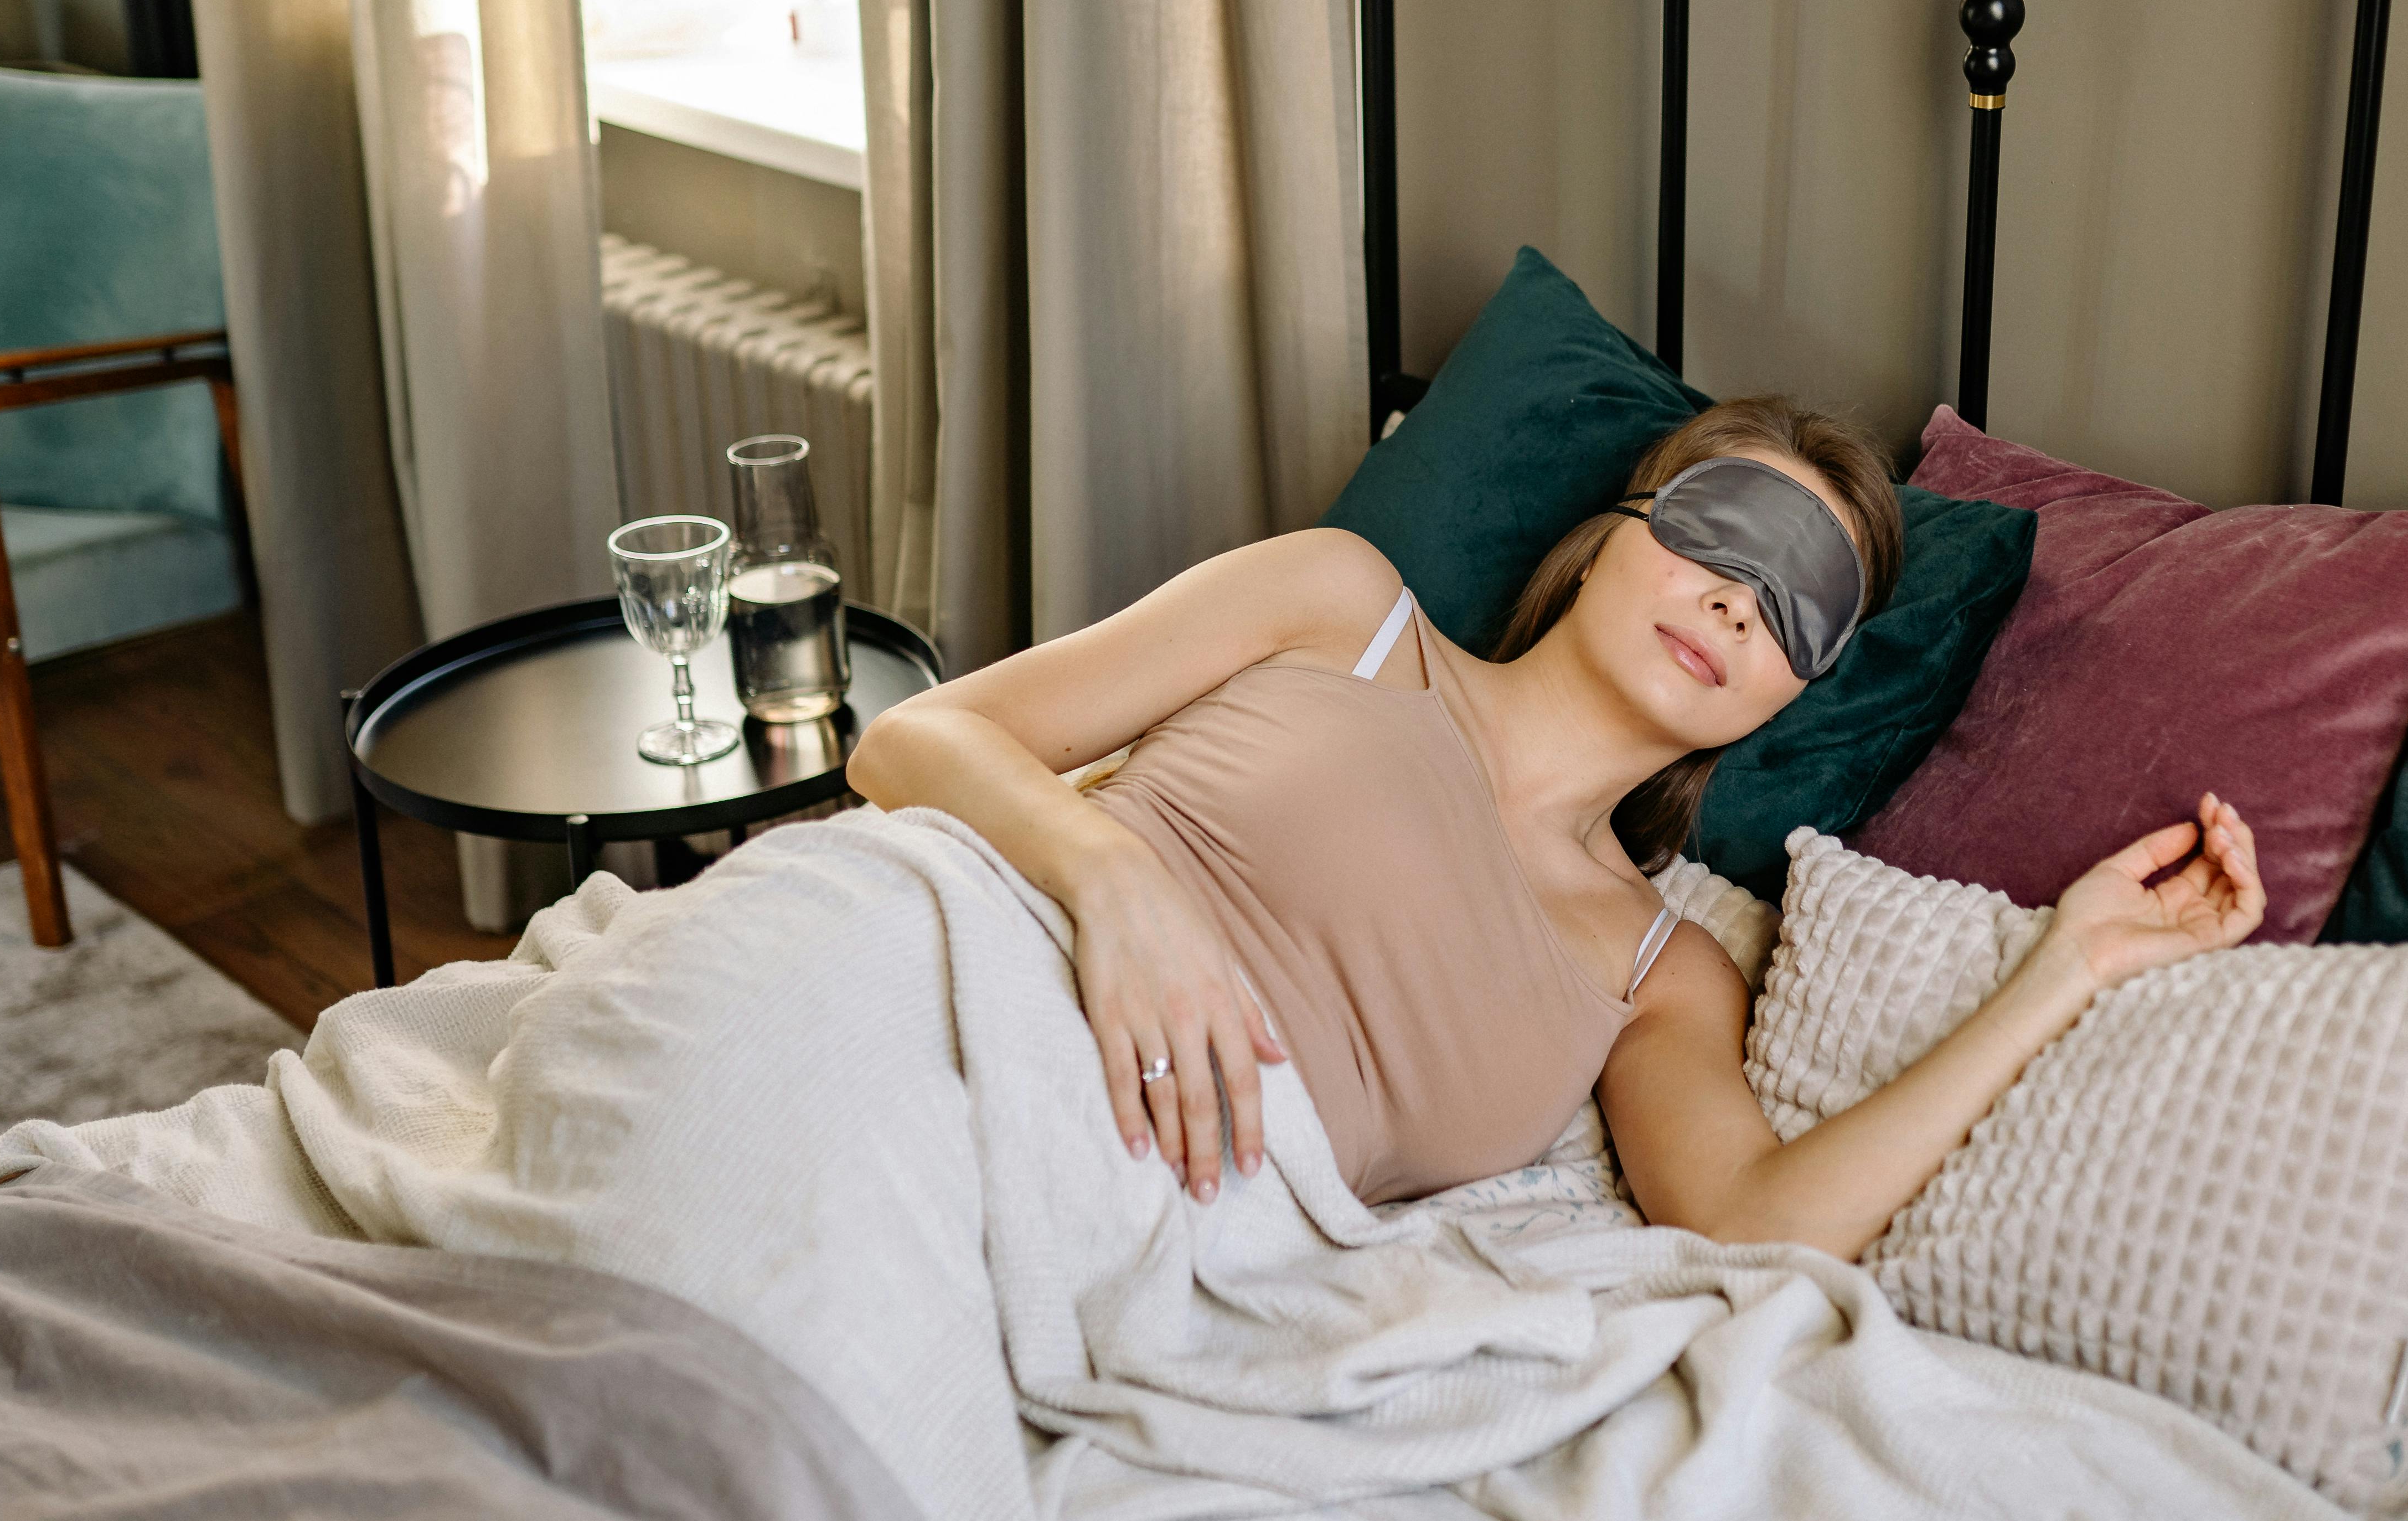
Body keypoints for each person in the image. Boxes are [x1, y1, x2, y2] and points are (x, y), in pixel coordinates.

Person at [848, 395, 2264, 1257]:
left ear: (1794, 691)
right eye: (1720, 535)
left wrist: (2067, 966)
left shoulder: (1663, 971)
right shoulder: (1346, 609)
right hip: (928, 996)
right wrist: (1111, 873)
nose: (1734, 601)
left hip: (1114, 1223)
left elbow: (1757, 1222)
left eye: (1794, 608)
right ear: (1612, 531)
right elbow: (907, 740)